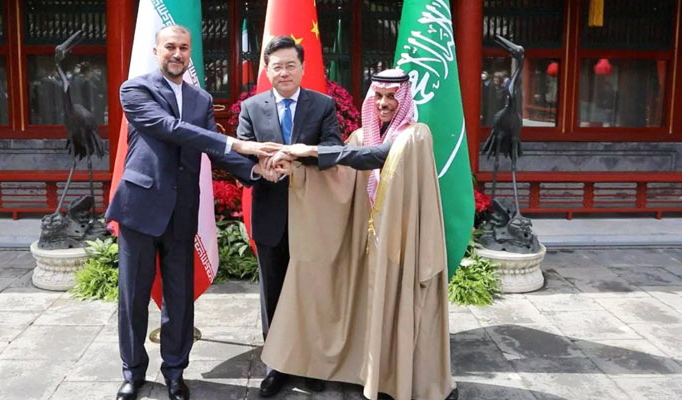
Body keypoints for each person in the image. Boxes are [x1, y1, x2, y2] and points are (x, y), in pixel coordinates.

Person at [106, 25, 280, 400]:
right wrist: (234, 139)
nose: (177, 54)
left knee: (179, 297)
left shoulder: (200, 99)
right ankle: (133, 372)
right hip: (140, 206)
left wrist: (254, 169)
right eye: (170, 46)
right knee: (133, 297)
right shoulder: (135, 90)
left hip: (182, 209)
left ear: (190, 54)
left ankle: (174, 372)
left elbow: (214, 151)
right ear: (156, 51)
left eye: (184, 48)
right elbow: (170, 128)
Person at [264, 69, 458, 400]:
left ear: (403, 99)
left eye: (391, 97)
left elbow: (377, 156)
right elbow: (339, 175)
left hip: (401, 242)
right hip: (365, 242)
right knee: (366, 305)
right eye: (378, 97)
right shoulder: (358, 136)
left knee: (399, 307)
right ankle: (371, 374)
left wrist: (307, 151)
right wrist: (296, 168)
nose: (383, 104)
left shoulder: (416, 135)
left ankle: (400, 378)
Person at [236, 35, 343, 397]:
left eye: (290, 65)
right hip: (271, 213)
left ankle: (310, 362)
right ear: (267, 70)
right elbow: (240, 154)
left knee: (310, 290)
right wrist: (258, 170)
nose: (284, 72)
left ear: (303, 68)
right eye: (276, 66)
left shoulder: (322, 105)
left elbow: (334, 150)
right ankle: (277, 365)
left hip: (312, 214)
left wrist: (299, 158)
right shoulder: (251, 108)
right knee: (275, 292)